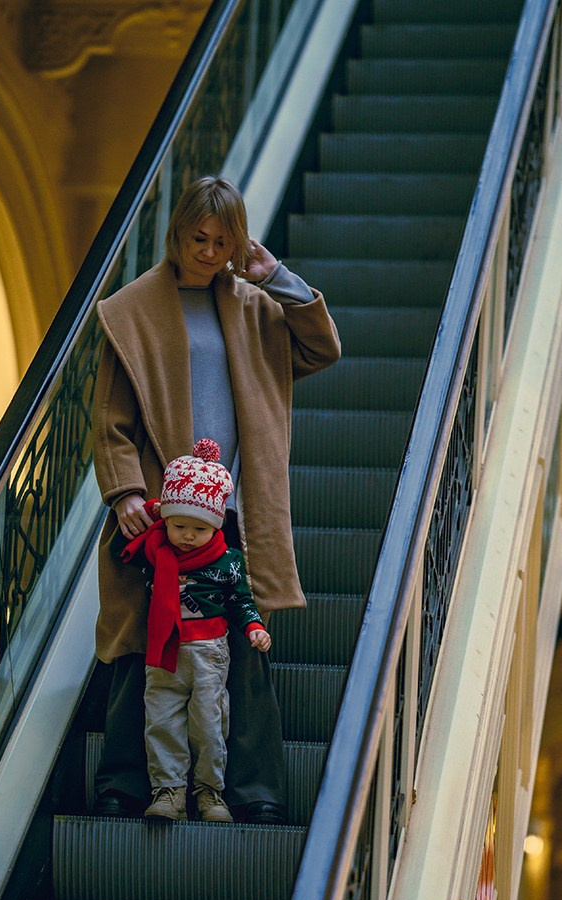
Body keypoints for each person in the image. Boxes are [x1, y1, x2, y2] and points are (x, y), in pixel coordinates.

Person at [90, 175, 340, 824]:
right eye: (198, 238)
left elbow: (322, 348)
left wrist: (275, 277)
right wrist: (124, 493)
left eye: (222, 242)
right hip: (158, 511)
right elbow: (110, 421)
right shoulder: (134, 309)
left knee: (244, 646)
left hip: (233, 511)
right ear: (177, 232)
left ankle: (253, 792)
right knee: (143, 641)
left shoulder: (255, 308)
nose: (208, 251)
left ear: (238, 243)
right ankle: (124, 786)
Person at [117, 439, 271, 823]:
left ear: (216, 525)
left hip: (208, 652)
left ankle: (209, 793)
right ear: (165, 521)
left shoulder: (226, 561)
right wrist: (150, 509)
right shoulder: (155, 552)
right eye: (179, 525)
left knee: (209, 723)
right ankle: (168, 792)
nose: (187, 535)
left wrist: (253, 626)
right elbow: (146, 521)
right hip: (163, 651)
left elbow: (240, 599)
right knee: (162, 721)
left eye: (199, 528)